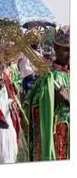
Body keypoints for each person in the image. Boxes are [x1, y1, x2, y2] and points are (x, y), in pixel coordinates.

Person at [25, 27, 70, 161]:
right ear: (56, 48)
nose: (71, 53)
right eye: (66, 49)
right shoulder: (47, 77)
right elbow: (32, 108)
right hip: (57, 140)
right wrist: (53, 100)